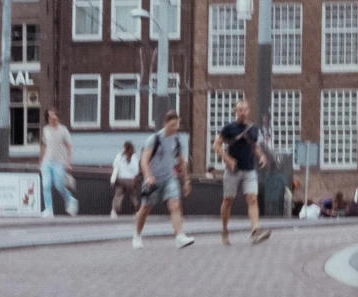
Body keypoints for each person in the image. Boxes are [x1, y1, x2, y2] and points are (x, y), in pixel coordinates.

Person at [132, 110, 197, 250]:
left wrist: (186, 181)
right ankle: (137, 235)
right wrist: (148, 176)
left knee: (175, 205)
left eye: (177, 125)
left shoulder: (177, 140)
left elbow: (182, 161)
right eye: (172, 125)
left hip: (169, 178)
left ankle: (180, 236)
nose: (175, 128)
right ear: (165, 124)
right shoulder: (154, 139)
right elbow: (144, 160)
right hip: (153, 180)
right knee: (145, 208)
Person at [213, 100, 271, 246]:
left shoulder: (253, 129)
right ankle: (225, 230)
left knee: (252, 198)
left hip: (249, 169)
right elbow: (216, 145)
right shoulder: (228, 128)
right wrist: (227, 159)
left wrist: (262, 156)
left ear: (248, 111)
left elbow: (255, 146)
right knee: (228, 200)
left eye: (245, 110)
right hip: (233, 170)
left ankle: (255, 229)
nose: (242, 113)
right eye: (239, 110)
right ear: (235, 111)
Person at [40, 112, 74, 216]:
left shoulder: (63, 130)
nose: (52, 118)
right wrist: (41, 160)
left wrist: (68, 161)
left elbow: (69, 146)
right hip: (46, 162)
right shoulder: (45, 130)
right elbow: (44, 145)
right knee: (46, 185)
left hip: (59, 162)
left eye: (54, 115)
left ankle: (70, 200)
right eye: (50, 117)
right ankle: (49, 210)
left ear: (57, 117)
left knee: (59, 185)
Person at [108, 142, 140, 216]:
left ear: (124, 147)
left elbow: (115, 166)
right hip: (130, 180)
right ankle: (136, 211)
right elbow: (136, 170)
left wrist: (113, 179)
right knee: (133, 196)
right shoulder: (134, 156)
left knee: (118, 195)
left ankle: (114, 211)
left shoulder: (120, 155)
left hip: (120, 179)